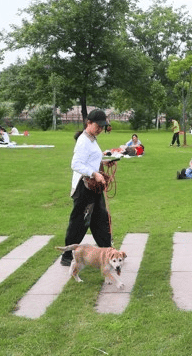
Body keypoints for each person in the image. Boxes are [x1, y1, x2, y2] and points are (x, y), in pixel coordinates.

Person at [61, 109, 116, 266]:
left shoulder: (92, 139)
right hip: (84, 188)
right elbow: (76, 164)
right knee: (79, 222)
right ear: (89, 123)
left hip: (94, 187)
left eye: (102, 126)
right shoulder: (83, 141)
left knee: (101, 219)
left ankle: (108, 252)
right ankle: (68, 256)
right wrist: (94, 173)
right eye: (98, 126)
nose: (100, 129)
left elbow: (91, 159)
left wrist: (105, 162)